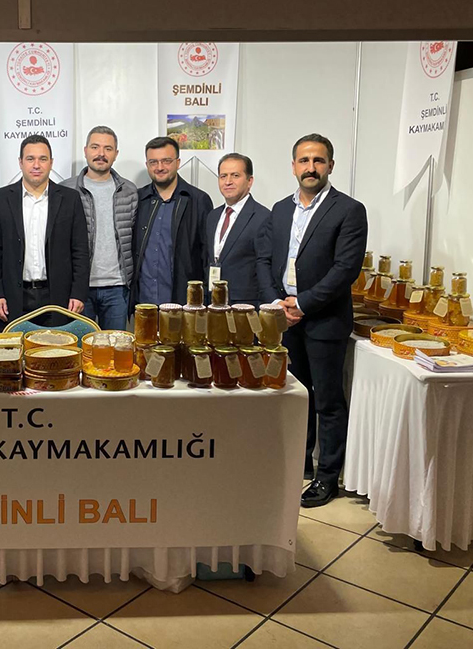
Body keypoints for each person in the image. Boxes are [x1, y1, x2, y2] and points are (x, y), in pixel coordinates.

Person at [256, 133, 368, 508]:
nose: (311, 167)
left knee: (328, 402)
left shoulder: (349, 210)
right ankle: (299, 465)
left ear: (330, 166)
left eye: (318, 160)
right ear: (293, 166)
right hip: (286, 321)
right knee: (296, 397)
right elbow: (265, 260)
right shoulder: (279, 210)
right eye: (304, 160)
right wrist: (277, 302)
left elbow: (345, 270)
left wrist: (303, 303)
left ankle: (327, 477)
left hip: (324, 321)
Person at [0, 134, 90, 324]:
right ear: (20, 162)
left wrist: (78, 293)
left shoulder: (70, 199)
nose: (36, 165)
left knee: (58, 344)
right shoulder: (1, 199)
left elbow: (80, 250)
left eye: (42, 159)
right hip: (13, 298)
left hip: (59, 298)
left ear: (51, 163)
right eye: (30, 159)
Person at [61, 126, 138, 330]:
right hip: (78, 289)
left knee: (114, 346)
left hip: (117, 288)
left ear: (116, 154)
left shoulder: (129, 191)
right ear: (85, 150)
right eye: (95, 147)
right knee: (78, 345)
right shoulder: (65, 189)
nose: (101, 154)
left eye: (108, 148)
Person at [131, 136, 212, 306]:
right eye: (153, 162)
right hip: (144, 303)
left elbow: (207, 255)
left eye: (166, 161)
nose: (160, 167)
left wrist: (204, 297)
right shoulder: (138, 199)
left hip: (183, 303)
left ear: (178, 162)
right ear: (147, 165)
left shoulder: (198, 200)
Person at [203, 152, 270, 306]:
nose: (228, 182)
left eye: (235, 175)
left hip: (245, 306)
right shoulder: (213, 216)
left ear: (249, 181)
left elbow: (265, 267)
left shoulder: (263, 217)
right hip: (212, 301)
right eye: (223, 176)